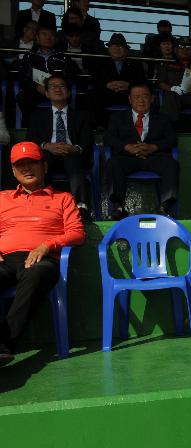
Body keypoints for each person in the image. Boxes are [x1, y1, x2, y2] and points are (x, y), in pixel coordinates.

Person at [0, 142, 85, 366]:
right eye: (21, 165)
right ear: (13, 171)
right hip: (5, 259)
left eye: (33, 164)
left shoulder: (63, 198)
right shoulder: (2, 198)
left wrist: (48, 244)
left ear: (44, 166)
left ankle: (4, 345)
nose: (27, 169)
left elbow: (77, 233)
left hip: (42, 260)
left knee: (34, 276)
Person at [104, 83, 179, 219]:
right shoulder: (118, 118)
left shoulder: (162, 118)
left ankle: (164, 207)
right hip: (128, 157)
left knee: (171, 164)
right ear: (130, 99)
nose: (141, 100)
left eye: (145, 96)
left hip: (154, 156)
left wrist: (153, 147)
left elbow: (172, 140)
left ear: (152, 99)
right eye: (136, 97)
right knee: (113, 163)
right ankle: (118, 208)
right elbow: (109, 138)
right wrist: (127, 147)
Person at [24, 75, 94, 220]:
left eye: (62, 86)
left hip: (72, 152)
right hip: (48, 153)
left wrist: (73, 148)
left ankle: (80, 206)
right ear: (47, 93)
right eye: (53, 86)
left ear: (68, 93)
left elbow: (87, 139)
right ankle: (41, 205)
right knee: (41, 162)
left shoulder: (82, 115)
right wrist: (47, 145)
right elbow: (30, 139)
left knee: (73, 160)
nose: (57, 89)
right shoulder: (37, 116)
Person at [16, 27, 79, 128]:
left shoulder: (63, 57)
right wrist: (36, 87)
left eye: (52, 35)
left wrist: (57, 85)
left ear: (56, 39)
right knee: (23, 97)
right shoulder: (29, 56)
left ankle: (62, 129)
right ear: (37, 38)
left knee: (67, 96)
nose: (48, 37)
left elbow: (72, 75)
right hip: (37, 90)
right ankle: (29, 128)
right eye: (44, 34)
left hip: (58, 90)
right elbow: (23, 77)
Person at [95, 33, 146, 124]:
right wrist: (107, 84)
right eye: (115, 46)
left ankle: (138, 124)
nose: (118, 49)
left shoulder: (135, 63)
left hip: (128, 94)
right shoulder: (101, 62)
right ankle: (100, 124)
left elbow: (142, 80)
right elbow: (94, 79)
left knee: (142, 96)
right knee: (93, 95)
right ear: (109, 48)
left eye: (121, 46)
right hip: (107, 94)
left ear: (126, 50)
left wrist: (129, 85)